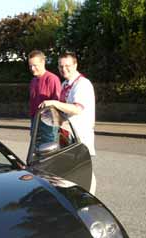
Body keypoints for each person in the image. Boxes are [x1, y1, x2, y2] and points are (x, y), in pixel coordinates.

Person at [39, 51, 97, 194]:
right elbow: (64, 112)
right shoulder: (65, 84)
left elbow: (76, 109)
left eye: (67, 66)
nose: (64, 69)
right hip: (67, 134)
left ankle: (87, 203)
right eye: (60, 66)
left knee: (83, 172)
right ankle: (78, 201)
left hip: (79, 136)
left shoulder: (82, 84)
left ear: (76, 64)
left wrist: (54, 103)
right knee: (71, 172)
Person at [28, 50, 62, 144]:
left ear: (43, 62)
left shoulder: (52, 79)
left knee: (49, 153)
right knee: (36, 151)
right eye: (30, 66)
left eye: (35, 65)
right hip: (35, 121)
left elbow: (57, 103)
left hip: (48, 124)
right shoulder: (33, 81)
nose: (32, 68)